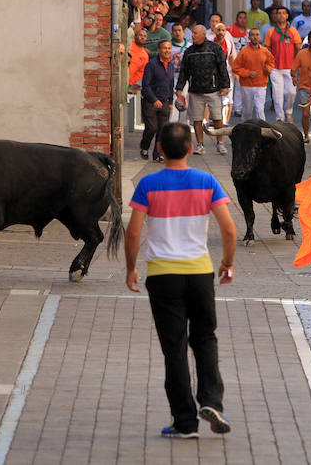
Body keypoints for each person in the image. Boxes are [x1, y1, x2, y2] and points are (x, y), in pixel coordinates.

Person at [125, 122, 236, 439]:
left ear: (160, 148)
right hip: (200, 273)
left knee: (174, 349)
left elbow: (133, 232)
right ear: (190, 148)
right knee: (205, 339)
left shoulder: (148, 184)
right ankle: (212, 401)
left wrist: (131, 268)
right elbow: (229, 230)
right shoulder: (207, 181)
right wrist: (227, 263)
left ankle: (185, 422)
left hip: (163, 277)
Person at [176, 25, 231, 155]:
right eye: (192, 33)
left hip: (213, 90)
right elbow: (183, 71)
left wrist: (225, 85)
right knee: (197, 119)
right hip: (195, 91)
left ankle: (220, 143)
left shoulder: (215, 48)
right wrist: (179, 88)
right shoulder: (189, 51)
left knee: (217, 118)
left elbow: (222, 68)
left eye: (195, 33)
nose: (192, 35)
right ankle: (200, 144)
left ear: (203, 34)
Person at [264, 7, 302, 123]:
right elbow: (267, 48)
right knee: (277, 95)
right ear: (275, 16)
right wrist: (268, 63)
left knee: (291, 93)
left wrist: (297, 64)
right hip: (275, 68)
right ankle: (279, 117)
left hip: (290, 67)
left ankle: (288, 111)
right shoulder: (271, 31)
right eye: (278, 13)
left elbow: (298, 48)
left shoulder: (293, 31)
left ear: (287, 16)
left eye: (283, 13)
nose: (281, 15)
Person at [141, 40, 176, 162]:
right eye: (164, 48)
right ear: (159, 50)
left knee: (163, 130)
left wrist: (170, 102)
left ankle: (158, 154)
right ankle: (144, 147)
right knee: (152, 128)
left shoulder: (171, 64)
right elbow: (145, 85)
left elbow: (171, 84)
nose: (167, 51)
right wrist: (154, 99)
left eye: (169, 48)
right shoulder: (151, 65)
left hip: (165, 102)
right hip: (150, 102)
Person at [232, 28, 274, 120]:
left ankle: (262, 127)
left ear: (260, 37)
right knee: (247, 111)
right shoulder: (243, 52)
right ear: (249, 37)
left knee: (259, 109)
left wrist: (268, 69)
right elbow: (235, 67)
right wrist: (248, 73)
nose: (255, 37)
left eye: (257, 35)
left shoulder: (265, 51)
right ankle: (246, 126)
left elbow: (271, 63)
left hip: (261, 85)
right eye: (252, 35)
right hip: (247, 85)